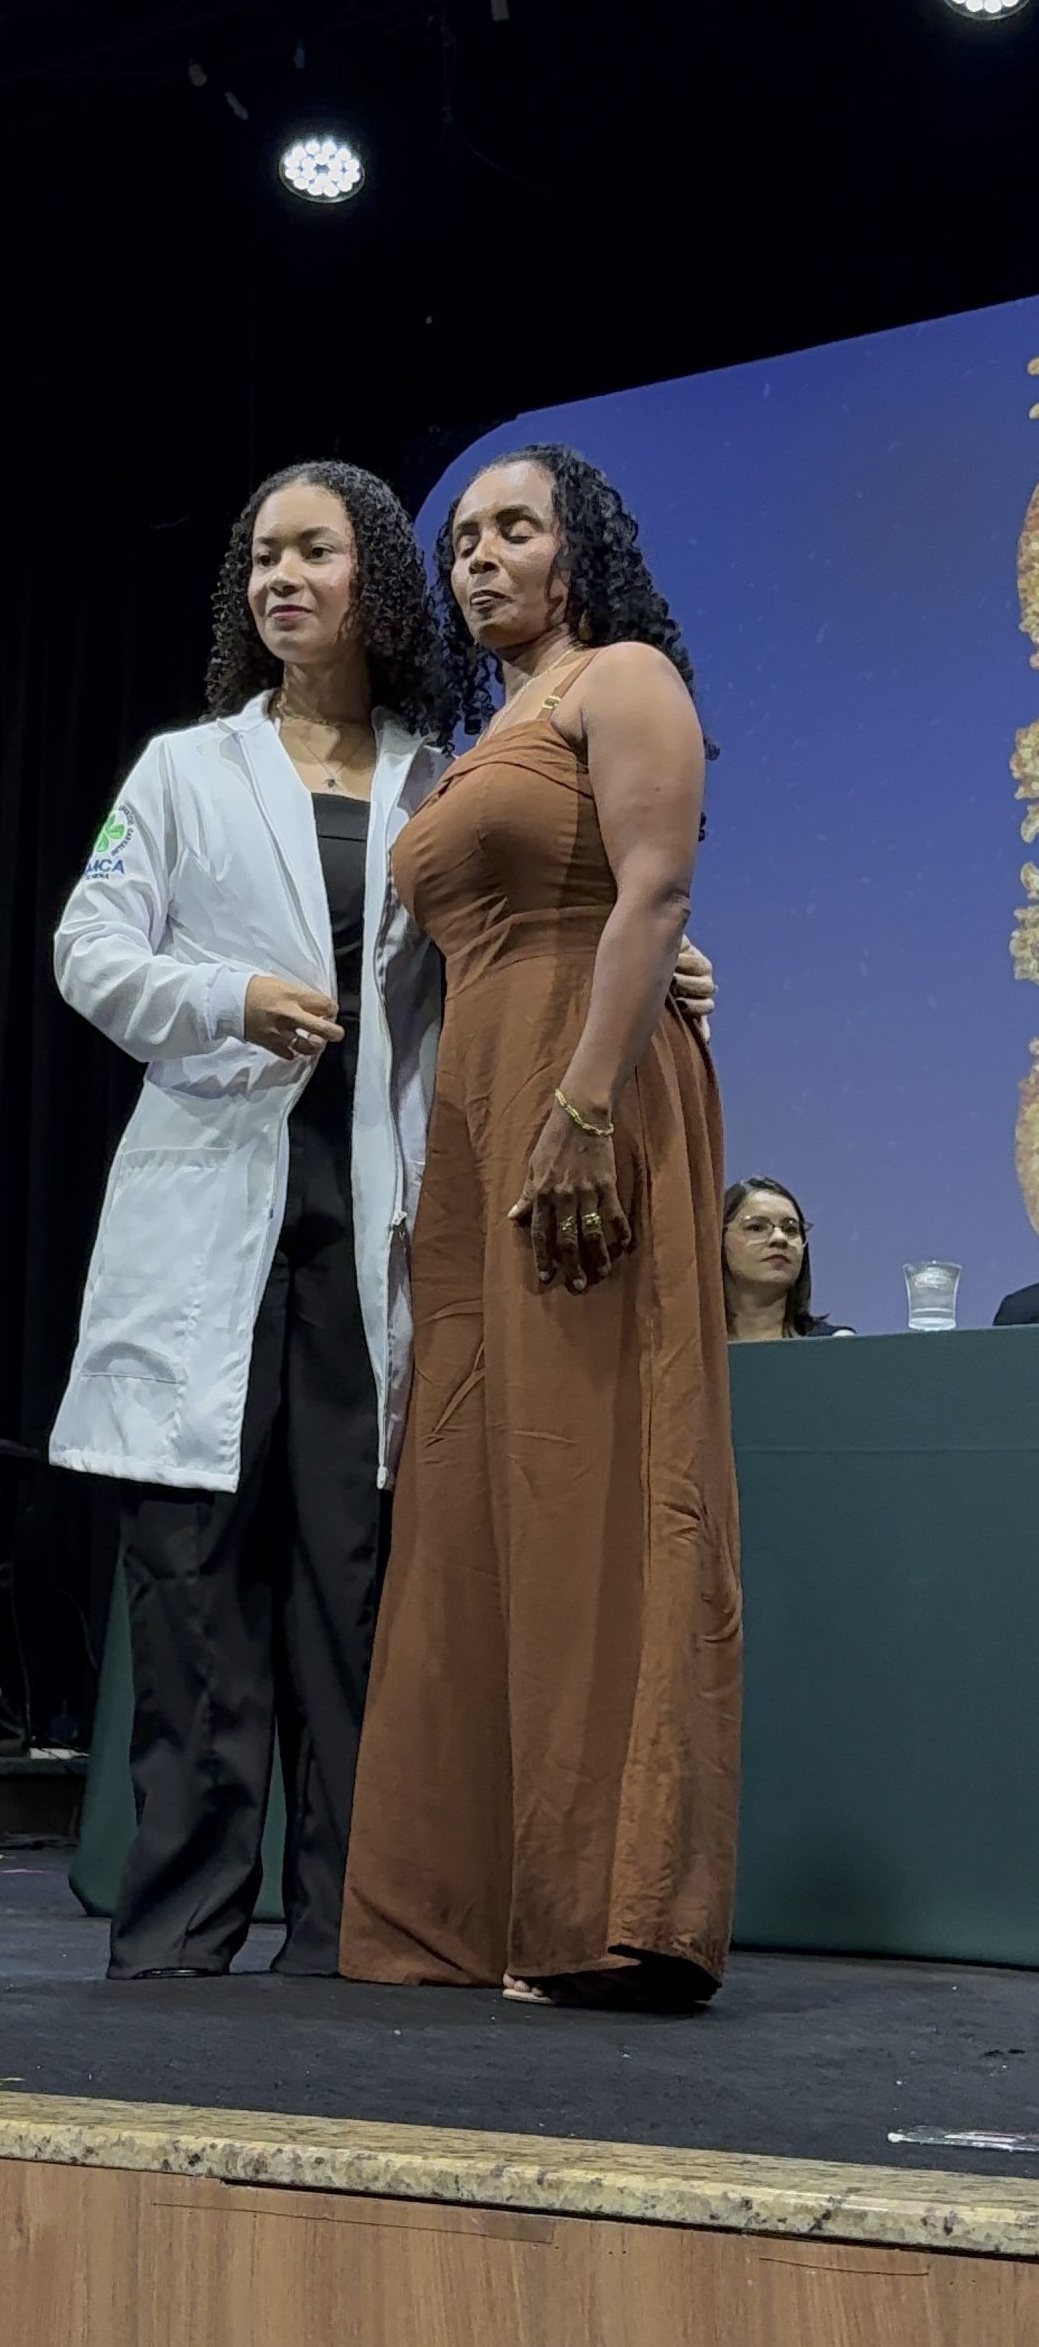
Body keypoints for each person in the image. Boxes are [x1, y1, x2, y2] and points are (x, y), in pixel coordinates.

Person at [51, 460, 717, 1984]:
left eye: (315, 552)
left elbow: (545, 904)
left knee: (362, 1591)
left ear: (377, 587)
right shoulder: (184, 770)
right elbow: (89, 948)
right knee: (196, 1577)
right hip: (217, 1202)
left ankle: (348, 1935)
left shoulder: (443, 775)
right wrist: (225, 995)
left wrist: (667, 972)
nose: (281, 579)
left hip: (384, 1214)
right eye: (261, 558)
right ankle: (178, 1936)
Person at [340, 443, 742, 2010]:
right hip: (478, 1114)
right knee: (479, 1489)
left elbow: (653, 894)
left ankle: (608, 1910)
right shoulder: (475, 741)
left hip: (583, 1096)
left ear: (582, 555)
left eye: (517, 528)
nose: (481, 556)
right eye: (462, 540)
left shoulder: (620, 676)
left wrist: (584, 1104)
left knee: (592, 1476)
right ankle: (482, 1906)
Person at [722, 1177, 854, 1341]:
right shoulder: (694, 1347)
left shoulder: (837, 1345)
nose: (780, 1238)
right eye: (756, 1227)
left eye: (790, 1229)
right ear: (718, 1239)